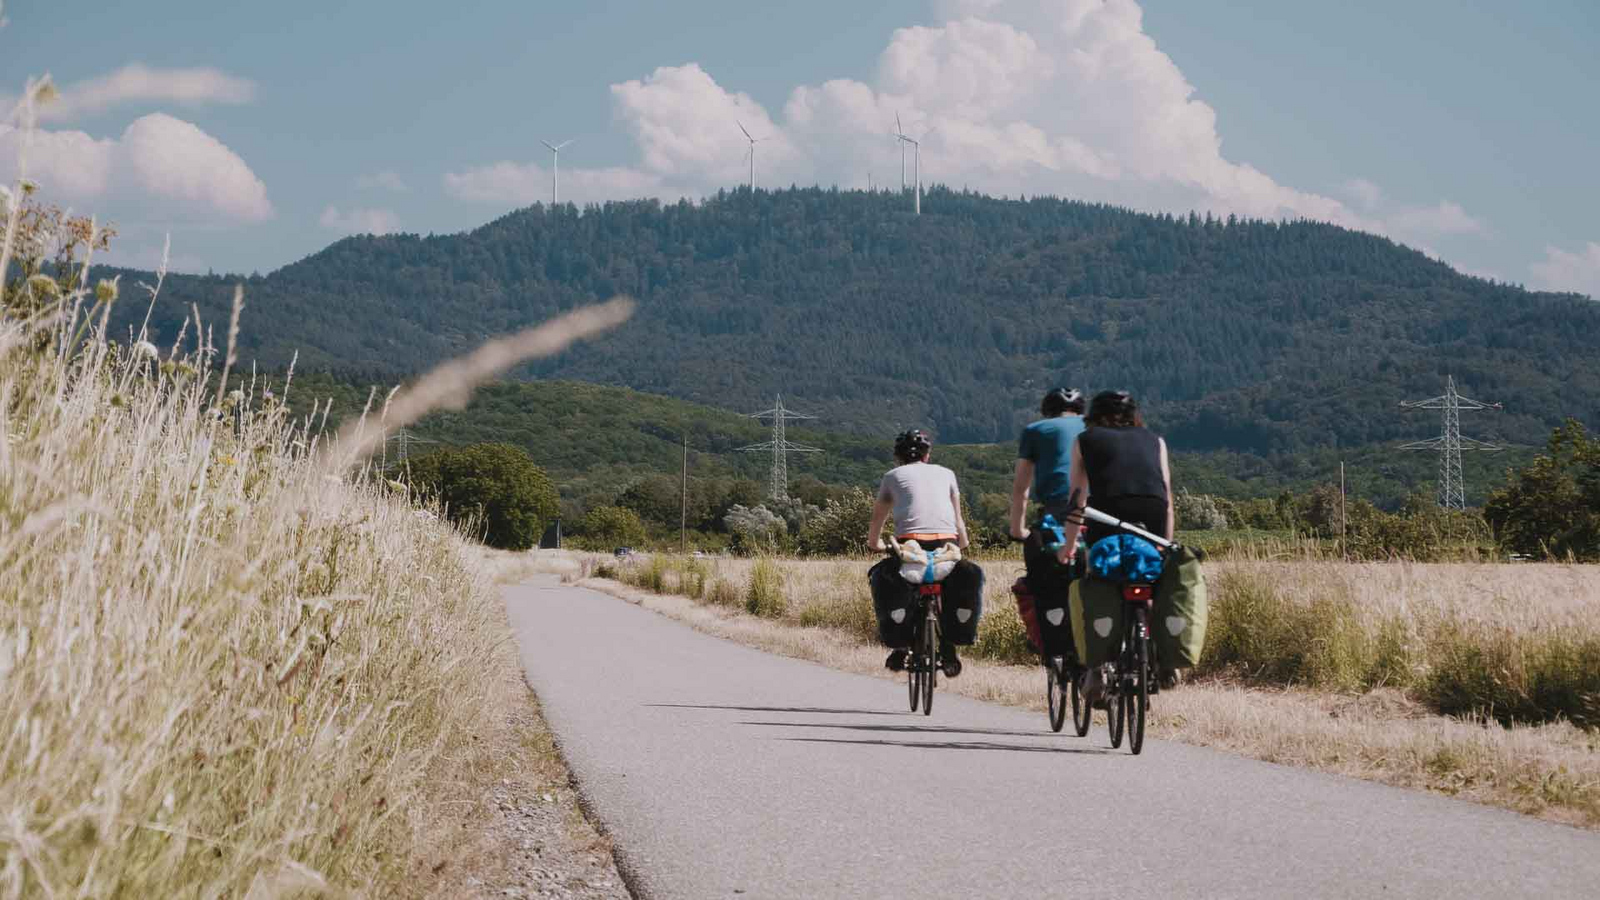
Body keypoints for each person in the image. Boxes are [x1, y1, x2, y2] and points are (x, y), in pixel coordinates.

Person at [1068, 390, 1174, 704]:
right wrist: (1165, 545)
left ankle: (1096, 668)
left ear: (1094, 416)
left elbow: (1077, 500)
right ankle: (1163, 656)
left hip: (1107, 513)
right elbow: (1167, 497)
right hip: (1152, 512)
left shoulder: (1085, 440)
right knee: (1155, 577)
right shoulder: (1156, 440)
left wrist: (1069, 545)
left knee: (1097, 576)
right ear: (1134, 415)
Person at [867, 428, 973, 677]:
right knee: (949, 586)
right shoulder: (947, 474)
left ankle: (901, 646)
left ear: (898, 457)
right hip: (946, 542)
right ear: (927, 455)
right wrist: (962, 543)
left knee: (895, 583)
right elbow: (958, 519)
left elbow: (877, 519)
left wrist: (875, 543)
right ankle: (948, 647)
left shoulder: (892, 476)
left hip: (910, 544)